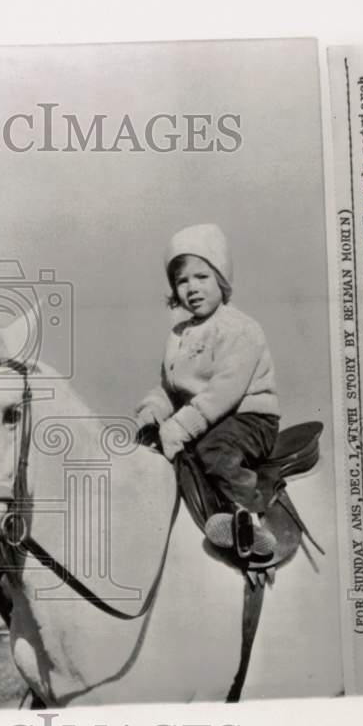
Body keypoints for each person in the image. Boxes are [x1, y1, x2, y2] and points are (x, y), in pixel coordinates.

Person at [135, 223, 280, 558]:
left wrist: (181, 426)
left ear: (221, 279)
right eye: (182, 281)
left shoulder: (240, 328)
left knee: (215, 452)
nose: (192, 288)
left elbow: (224, 391)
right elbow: (169, 387)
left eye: (202, 277)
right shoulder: (178, 335)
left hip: (247, 418)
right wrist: (153, 411)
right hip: (202, 419)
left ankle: (251, 518)